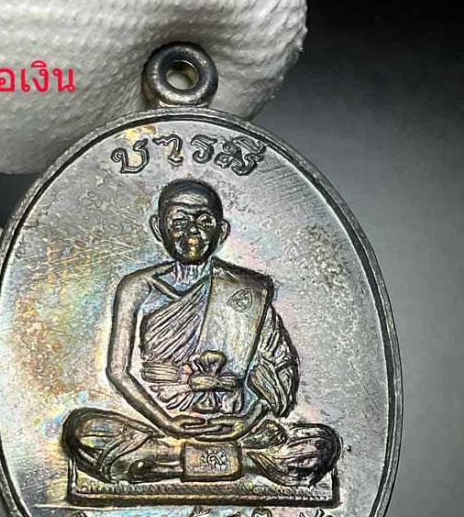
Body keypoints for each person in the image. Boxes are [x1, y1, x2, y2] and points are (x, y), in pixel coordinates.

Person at [63, 178, 340, 485]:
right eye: (179, 221)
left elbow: (281, 367)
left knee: (320, 446)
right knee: (83, 432)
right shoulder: (137, 287)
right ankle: (245, 462)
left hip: (237, 425)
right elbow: (117, 372)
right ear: (158, 228)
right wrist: (167, 423)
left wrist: (247, 421)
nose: (191, 231)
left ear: (221, 231)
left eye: (203, 221)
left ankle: (166, 463)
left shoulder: (247, 290)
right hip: (160, 423)